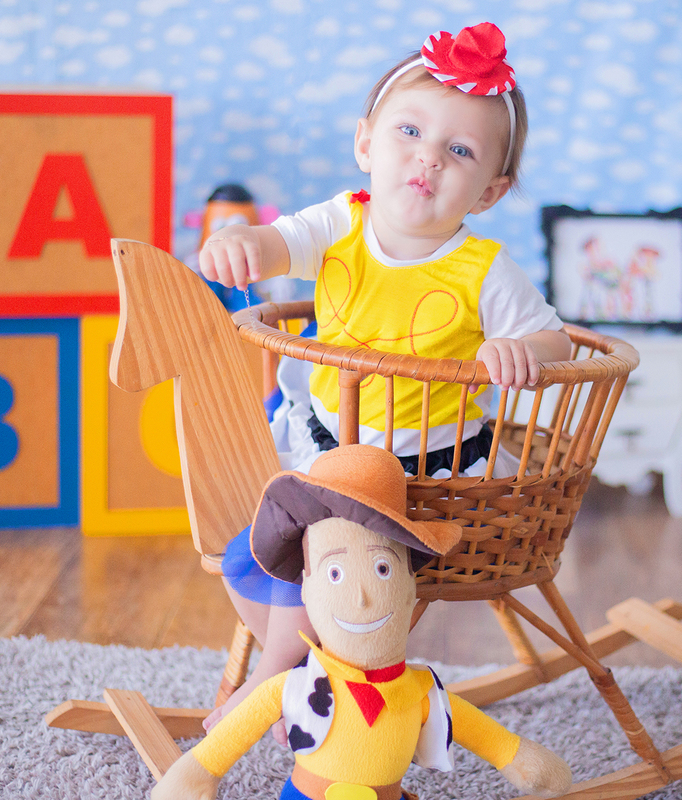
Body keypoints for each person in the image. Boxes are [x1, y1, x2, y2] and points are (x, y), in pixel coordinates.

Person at [198, 22, 571, 731]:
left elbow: (551, 336)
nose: (427, 159)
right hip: (317, 444)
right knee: (247, 560)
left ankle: (274, 678)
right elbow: (280, 241)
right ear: (366, 142)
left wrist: (523, 352)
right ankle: (323, 657)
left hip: (417, 477)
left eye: (458, 151)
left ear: (489, 191)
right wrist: (244, 240)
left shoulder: (483, 270)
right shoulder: (342, 222)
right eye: (409, 132)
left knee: (312, 538)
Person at [151, 445, 572, 800]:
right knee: (243, 560)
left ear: (408, 577)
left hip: (430, 455)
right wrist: (200, 770)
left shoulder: (419, 691)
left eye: (386, 573)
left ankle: (277, 662)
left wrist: (517, 758)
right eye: (333, 577)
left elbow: (478, 731)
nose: (362, 597)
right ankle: (278, 663)